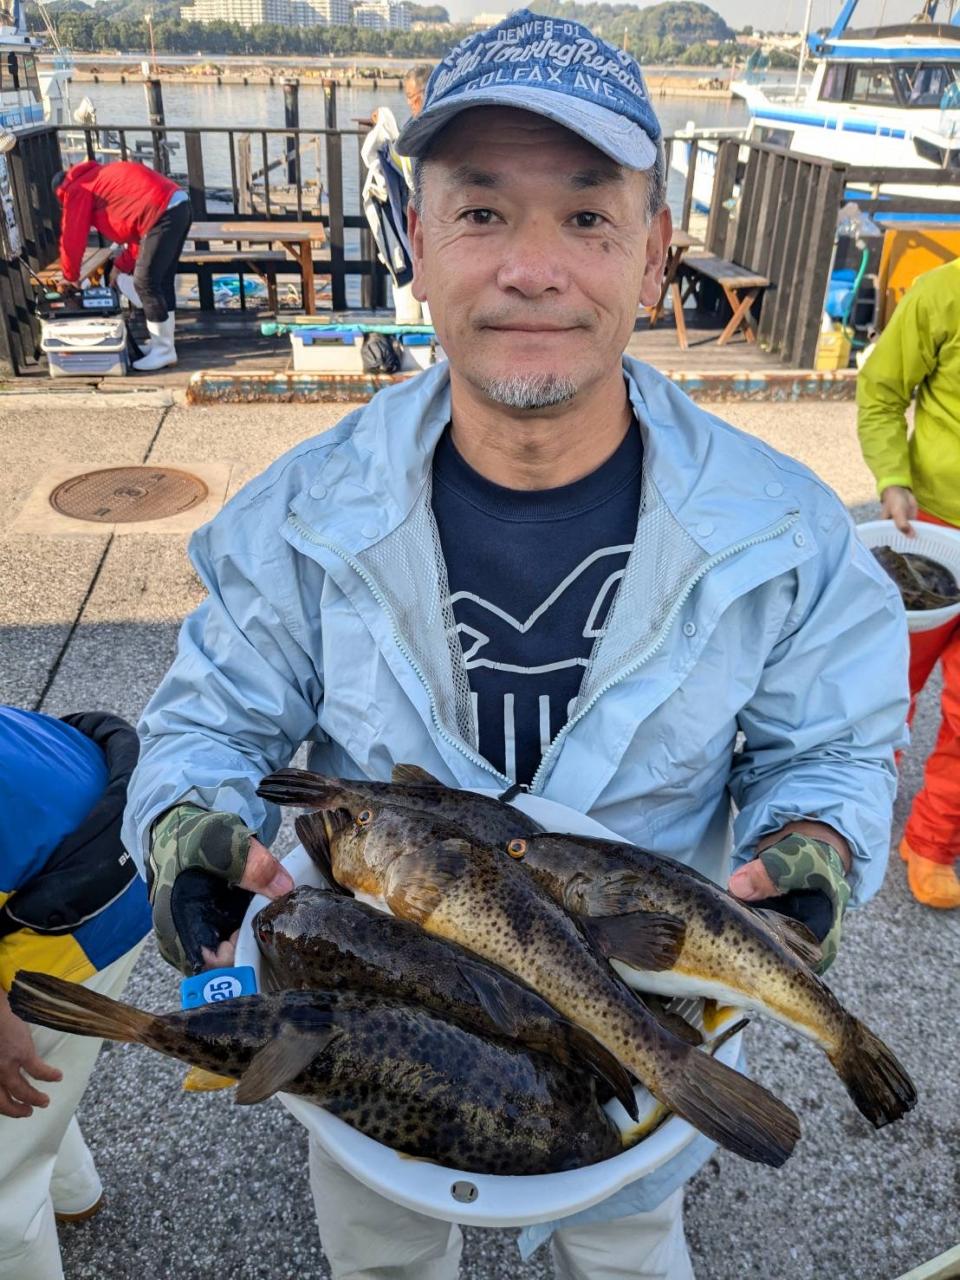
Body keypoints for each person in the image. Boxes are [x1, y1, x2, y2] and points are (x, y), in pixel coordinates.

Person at [123, 11, 909, 1277]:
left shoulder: (786, 530)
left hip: (646, 1020)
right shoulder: (299, 512)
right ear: (416, 240)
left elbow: (830, 746)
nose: (532, 269)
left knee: (629, 1241)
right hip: (379, 1028)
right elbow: (211, 724)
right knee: (384, 1253)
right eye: (482, 211)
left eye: (588, 216)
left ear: (654, 254)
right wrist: (187, 826)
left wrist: (815, 840)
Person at [0, 706, 151, 1280]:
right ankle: (71, 1190)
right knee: (33, 1085)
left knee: (2, 1196)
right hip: (99, 812)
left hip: (67, 913)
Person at [857, 256, 960, 909]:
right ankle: (860, 812)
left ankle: (933, 842)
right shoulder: (942, 291)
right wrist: (893, 477)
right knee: (889, 692)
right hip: (928, 534)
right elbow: (882, 390)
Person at [52, 160, 193, 373]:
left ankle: (164, 350)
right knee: (161, 281)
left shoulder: (76, 189)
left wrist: (70, 276)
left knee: (145, 282)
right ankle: (163, 345)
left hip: (162, 210)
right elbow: (138, 231)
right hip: (177, 205)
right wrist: (120, 266)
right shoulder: (98, 178)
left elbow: (72, 236)